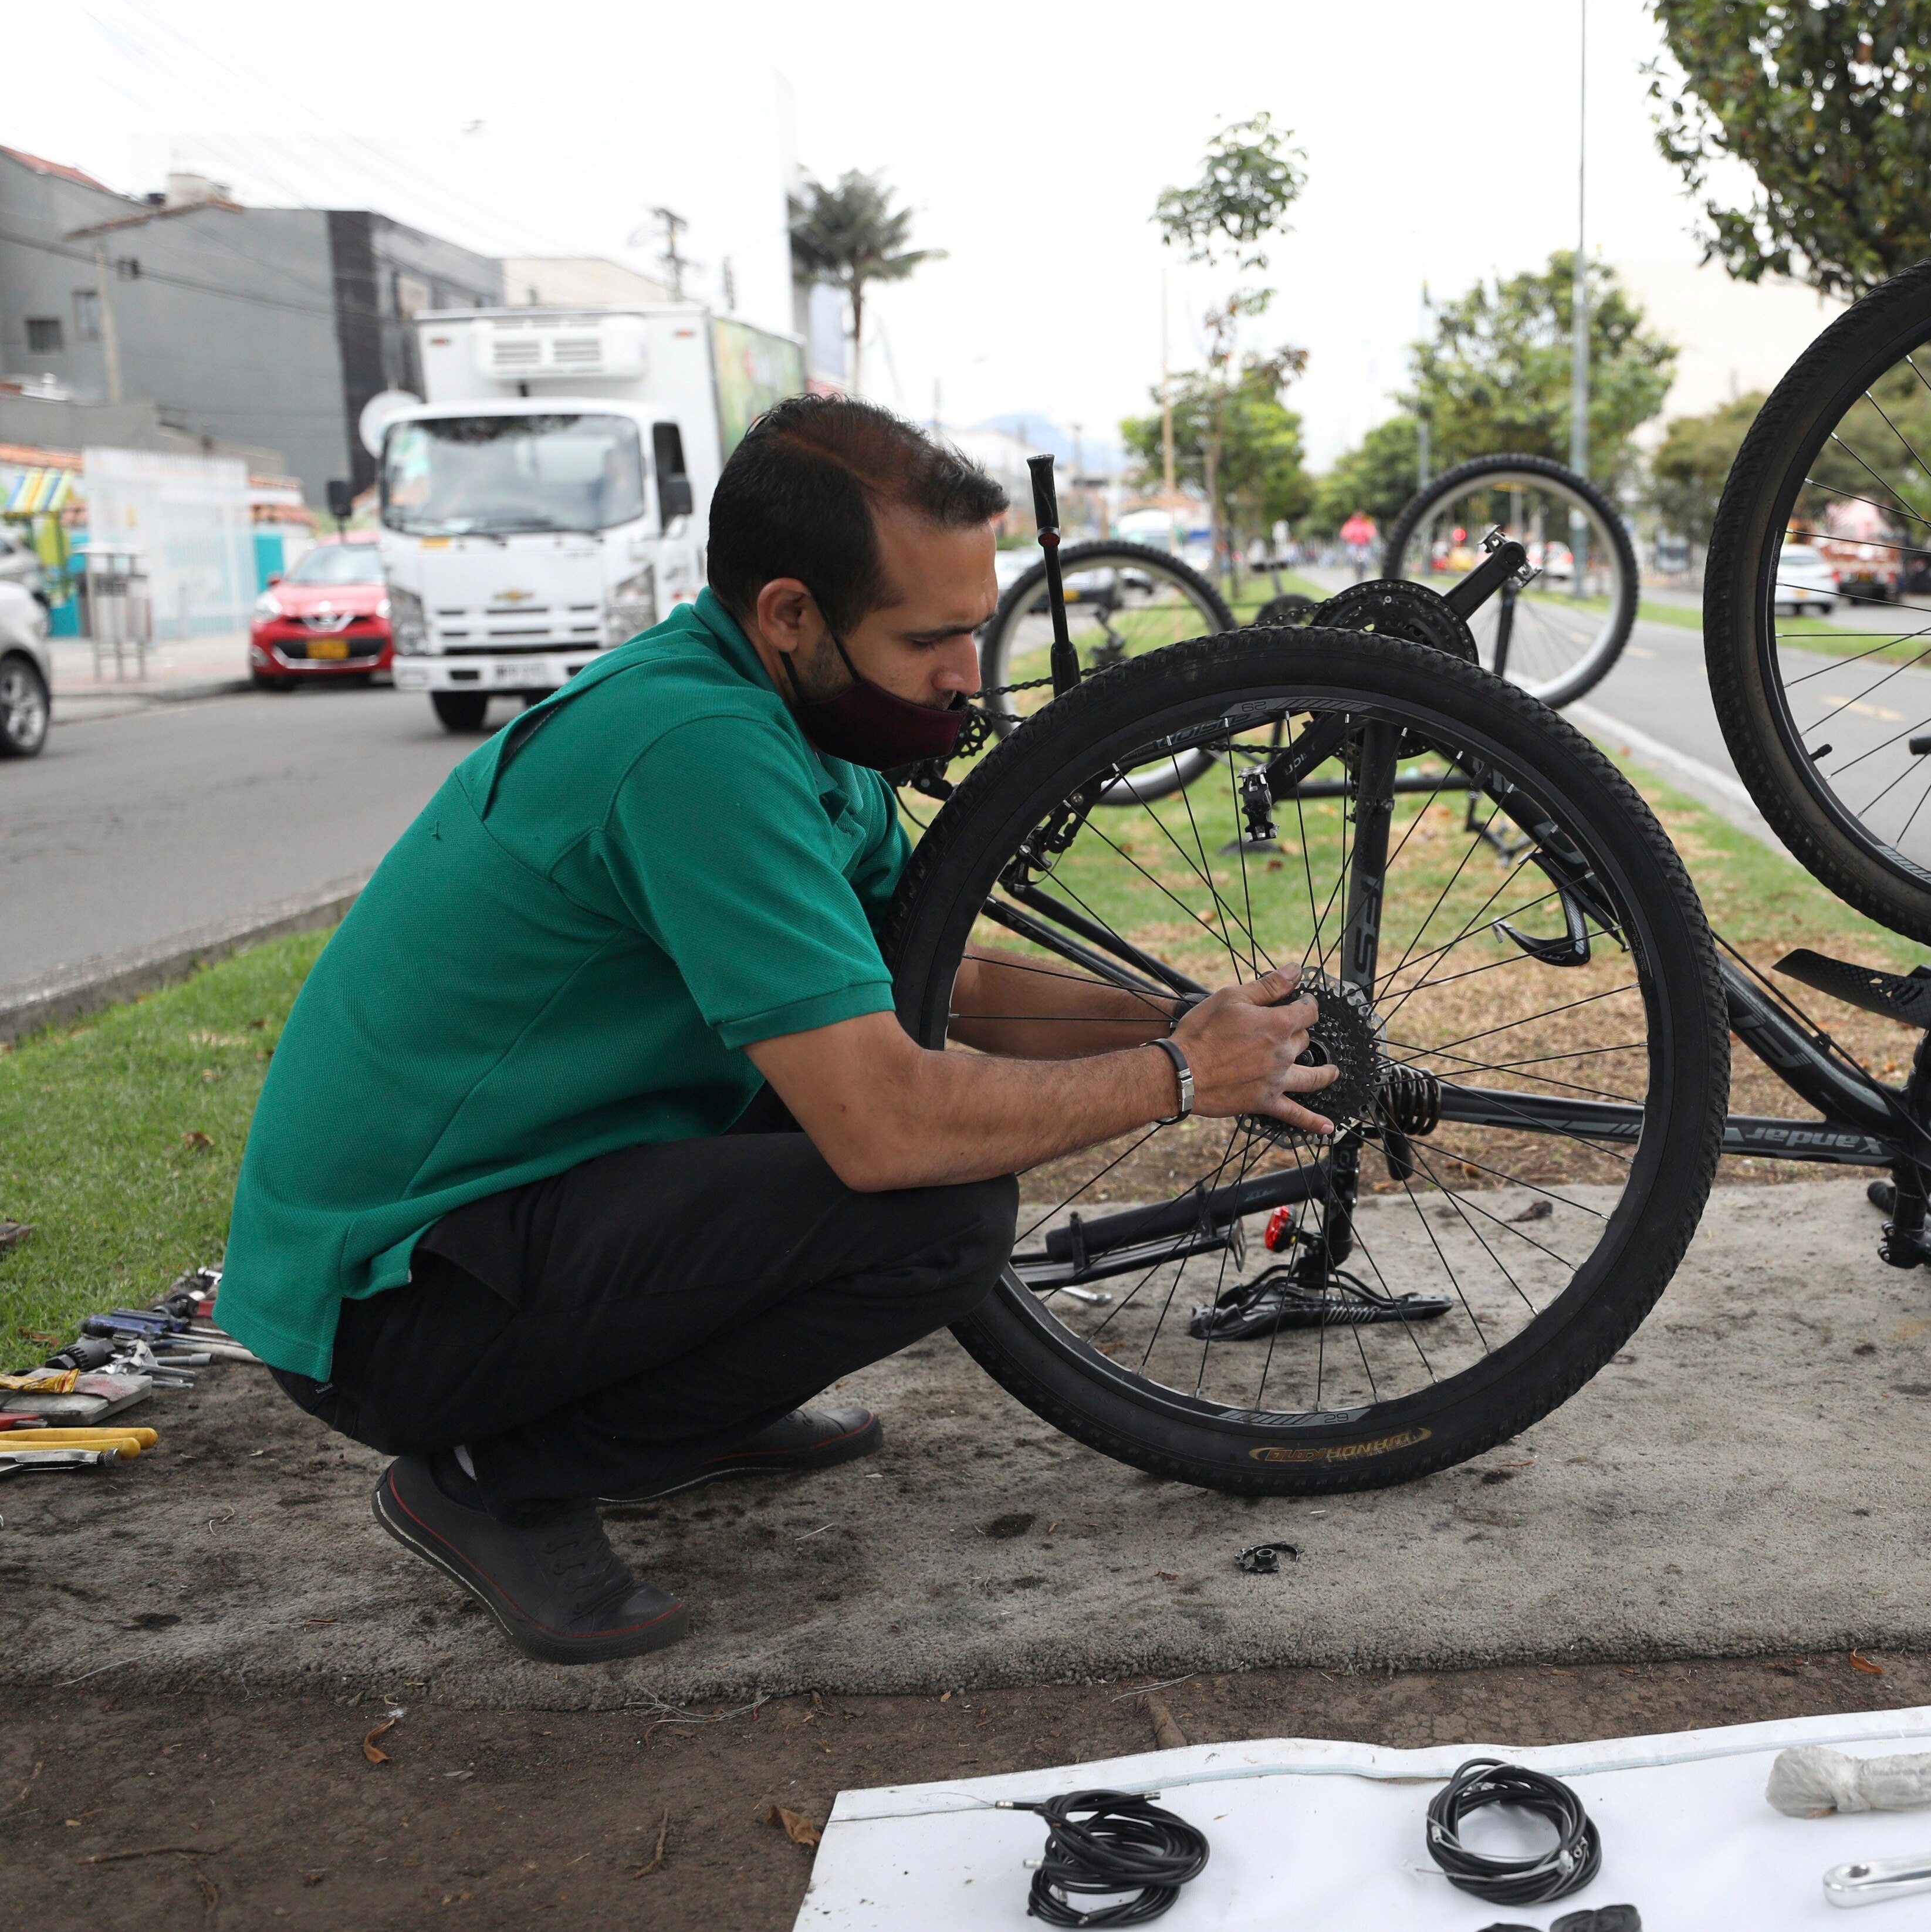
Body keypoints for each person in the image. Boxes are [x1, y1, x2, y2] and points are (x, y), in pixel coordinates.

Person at [220, 396, 1340, 1666]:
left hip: (513, 1213)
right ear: (791, 615)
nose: (967, 675)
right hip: (392, 1300)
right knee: (934, 1213)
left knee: (851, 1106)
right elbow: (884, 1128)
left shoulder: (801, 721)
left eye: (979, 627)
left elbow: (941, 976)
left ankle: (678, 1410)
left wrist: (1178, 1019)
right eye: (932, 638)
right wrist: (1183, 1075)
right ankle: (492, 1473)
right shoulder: (695, 748)